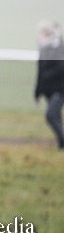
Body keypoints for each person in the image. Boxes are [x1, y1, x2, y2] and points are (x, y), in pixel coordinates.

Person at [34, 20, 64, 150]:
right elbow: (40, 72)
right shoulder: (43, 50)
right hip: (48, 90)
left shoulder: (59, 48)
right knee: (55, 115)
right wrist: (37, 92)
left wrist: (47, 76)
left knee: (51, 114)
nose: (40, 36)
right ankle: (61, 144)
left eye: (43, 33)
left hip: (60, 89)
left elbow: (61, 67)